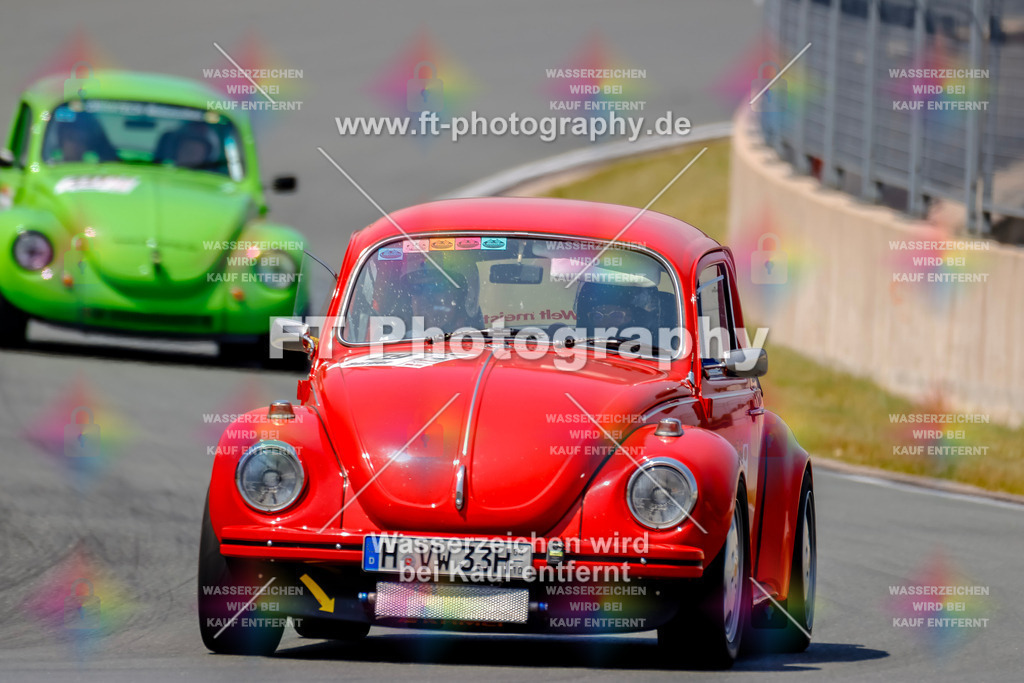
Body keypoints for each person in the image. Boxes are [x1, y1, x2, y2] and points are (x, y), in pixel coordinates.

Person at [401, 267, 474, 332]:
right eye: (416, 289)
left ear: (457, 296)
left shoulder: (480, 340)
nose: (425, 297)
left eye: (436, 287)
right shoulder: (394, 340)